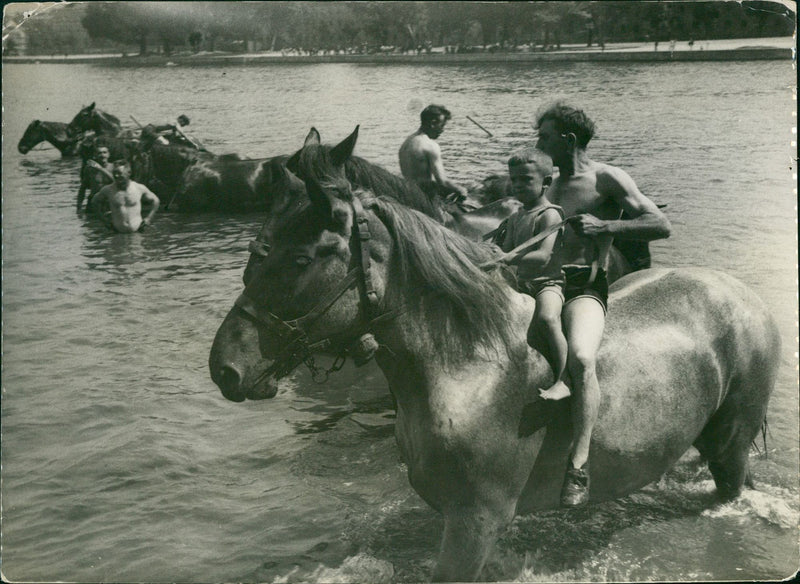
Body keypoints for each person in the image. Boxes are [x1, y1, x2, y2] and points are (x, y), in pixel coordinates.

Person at [533, 101, 671, 507]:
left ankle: (578, 465)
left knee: (581, 358)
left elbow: (661, 225)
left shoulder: (607, 178)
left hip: (584, 290)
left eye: (544, 136)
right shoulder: (548, 185)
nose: (537, 143)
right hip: (544, 286)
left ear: (568, 140)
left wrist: (605, 225)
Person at [495, 149, 570, 401]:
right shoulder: (516, 216)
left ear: (546, 183)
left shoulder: (549, 214)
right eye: (514, 179)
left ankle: (564, 378)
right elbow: (503, 252)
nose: (517, 185)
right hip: (519, 284)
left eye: (526, 179)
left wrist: (507, 258)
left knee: (548, 318)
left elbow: (543, 257)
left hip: (547, 284)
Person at [399, 104, 468, 207]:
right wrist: (460, 190)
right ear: (432, 123)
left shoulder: (406, 143)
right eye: (442, 125)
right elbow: (442, 181)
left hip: (407, 195)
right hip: (424, 198)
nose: (442, 130)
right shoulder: (430, 145)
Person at [91, 160, 160, 233]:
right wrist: (104, 220)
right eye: (114, 173)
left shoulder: (139, 188)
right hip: (117, 233)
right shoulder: (108, 190)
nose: (116, 176)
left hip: (137, 233)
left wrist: (148, 218)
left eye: (119, 173)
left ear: (129, 173)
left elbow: (156, 201)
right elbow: (94, 202)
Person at [76, 145, 113, 213]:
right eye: (99, 153)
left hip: (108, 201)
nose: (102, 155)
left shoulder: (113, 167)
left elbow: (116, 181)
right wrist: (79, 206)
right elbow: (82, 188)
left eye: (104, 152)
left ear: (109, 154)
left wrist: (100, 169)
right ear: (95, 155)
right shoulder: (89, 169)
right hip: (93, 201)